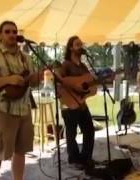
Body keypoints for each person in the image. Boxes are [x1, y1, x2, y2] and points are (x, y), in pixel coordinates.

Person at [0, 20, 42, 180]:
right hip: (4, 112)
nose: (12, 34)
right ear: (0, 35)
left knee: (21, 152)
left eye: (14, 31)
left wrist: (38, 77)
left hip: (24, 111)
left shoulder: (27, 58)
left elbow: (31, 83)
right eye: (7, 32)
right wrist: (8, 80)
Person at [56, 36, 96, 171]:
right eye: (77, 44)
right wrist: (75, 86)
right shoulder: (66, 64)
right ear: (71, 48)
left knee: (89, 130)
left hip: (81, 103)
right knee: (71, 133)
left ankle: (85, 158)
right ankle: (74, 159)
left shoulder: (84, 66)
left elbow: (89, 82)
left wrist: (87, 87)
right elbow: (59, 80)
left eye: (81, 44)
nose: (81, 46)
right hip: (69, 104)